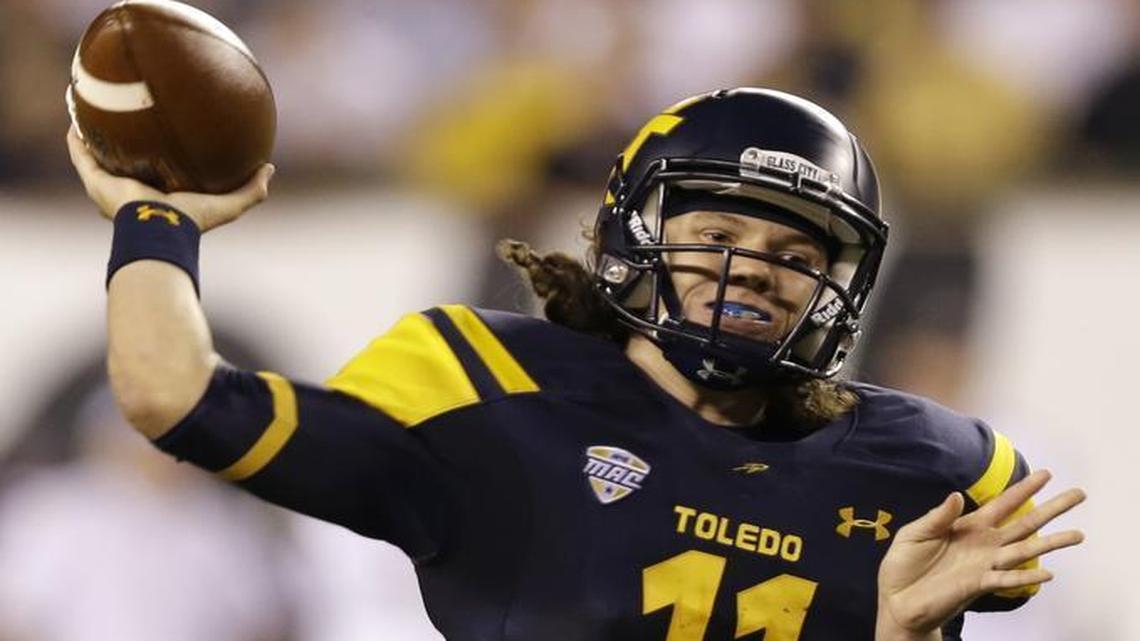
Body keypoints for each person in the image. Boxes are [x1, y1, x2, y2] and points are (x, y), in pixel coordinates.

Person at [67, 87, 1084, 641]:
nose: (756, 270)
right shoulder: (488, 391)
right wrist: (156, 223)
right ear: (632, 240)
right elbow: (173, 394)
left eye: (796, 255)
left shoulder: (926, 467)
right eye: (718, 230)